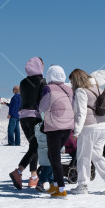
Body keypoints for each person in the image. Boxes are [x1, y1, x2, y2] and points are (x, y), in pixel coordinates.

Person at [68, 69, 105, 195]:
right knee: (97, 156)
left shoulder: (81, 91)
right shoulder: (98, 88)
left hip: (88, 128)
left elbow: (81, 113)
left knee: (83, 157)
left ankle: (82, 185)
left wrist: (76, 131)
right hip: (101, 127)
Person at [10, 57, 47, 189]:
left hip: (23, 117)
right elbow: (44, 100)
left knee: (34, 146)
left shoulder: (22, 82)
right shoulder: (42, 81)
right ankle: (19, 172)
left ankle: (33, 176)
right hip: (35, 117)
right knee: (35, 147)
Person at [38, 65, 74, 198]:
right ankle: (54, 185)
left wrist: (37, 106)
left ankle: (61, 188)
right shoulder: (69, 89)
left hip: (54, 126)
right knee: (52, 154)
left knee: (55, 157)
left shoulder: (48, 88)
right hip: (67, 126)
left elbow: (43, 106)